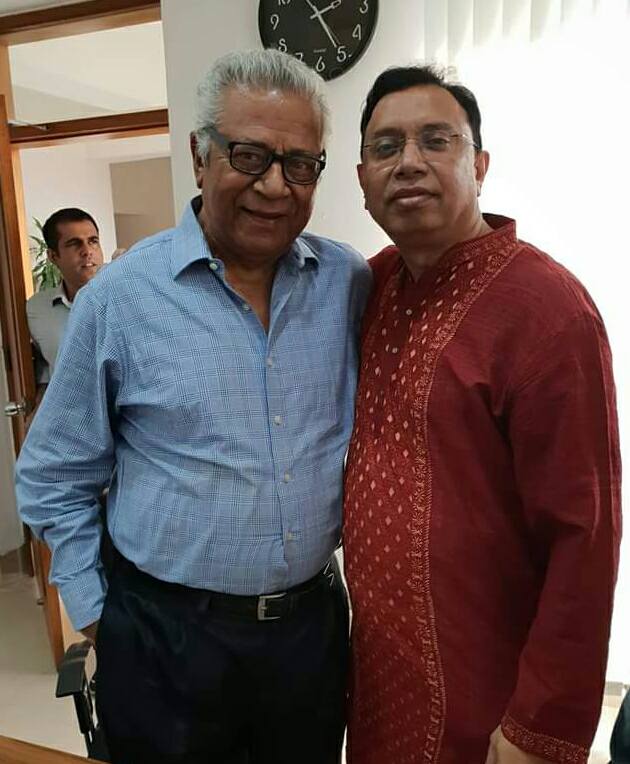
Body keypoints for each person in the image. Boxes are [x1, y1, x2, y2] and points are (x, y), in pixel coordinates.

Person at [16, 49, 371, 764]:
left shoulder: (347, 282)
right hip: (165, 637)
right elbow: (53, 474)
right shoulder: (120, 299)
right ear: (198, 156)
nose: (275, 185)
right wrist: (98, 613)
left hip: (309, 635)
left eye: (301, 164)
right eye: (250, 155)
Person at [343, 64, 621, 764]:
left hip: (491, 698)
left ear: (480, 165)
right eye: (386, 147)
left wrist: (538, 724)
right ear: (362, 180)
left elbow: (585, 537)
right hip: (379, 682)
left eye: (437, 140)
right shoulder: (370, 287)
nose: (409, 161)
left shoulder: (547, 310)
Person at [26, 208, 103, 388]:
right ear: (53, 256)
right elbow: (45, 375)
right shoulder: (36, 309)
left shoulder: (128, 296)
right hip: (71, 405)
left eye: (93, 241)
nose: (87, 251)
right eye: (74, 244)